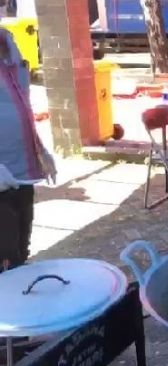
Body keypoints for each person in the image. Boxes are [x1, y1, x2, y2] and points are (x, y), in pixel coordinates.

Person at [0, 28, 57, 273]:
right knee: (5, 256)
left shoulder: (9, 50)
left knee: (22, 249)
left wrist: (42, 152)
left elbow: (23, 113)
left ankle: (22, 295)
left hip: (22, 174)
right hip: (2, 181)